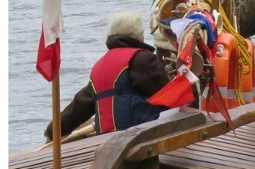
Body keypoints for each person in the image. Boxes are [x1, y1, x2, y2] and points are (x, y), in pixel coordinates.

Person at [44, 12, 170, 140]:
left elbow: (81, 104)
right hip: (141, 133)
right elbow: (168, 94)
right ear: (138, 35)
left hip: (107, 138)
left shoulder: (99, 65)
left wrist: (53, 130)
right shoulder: (143, 59)